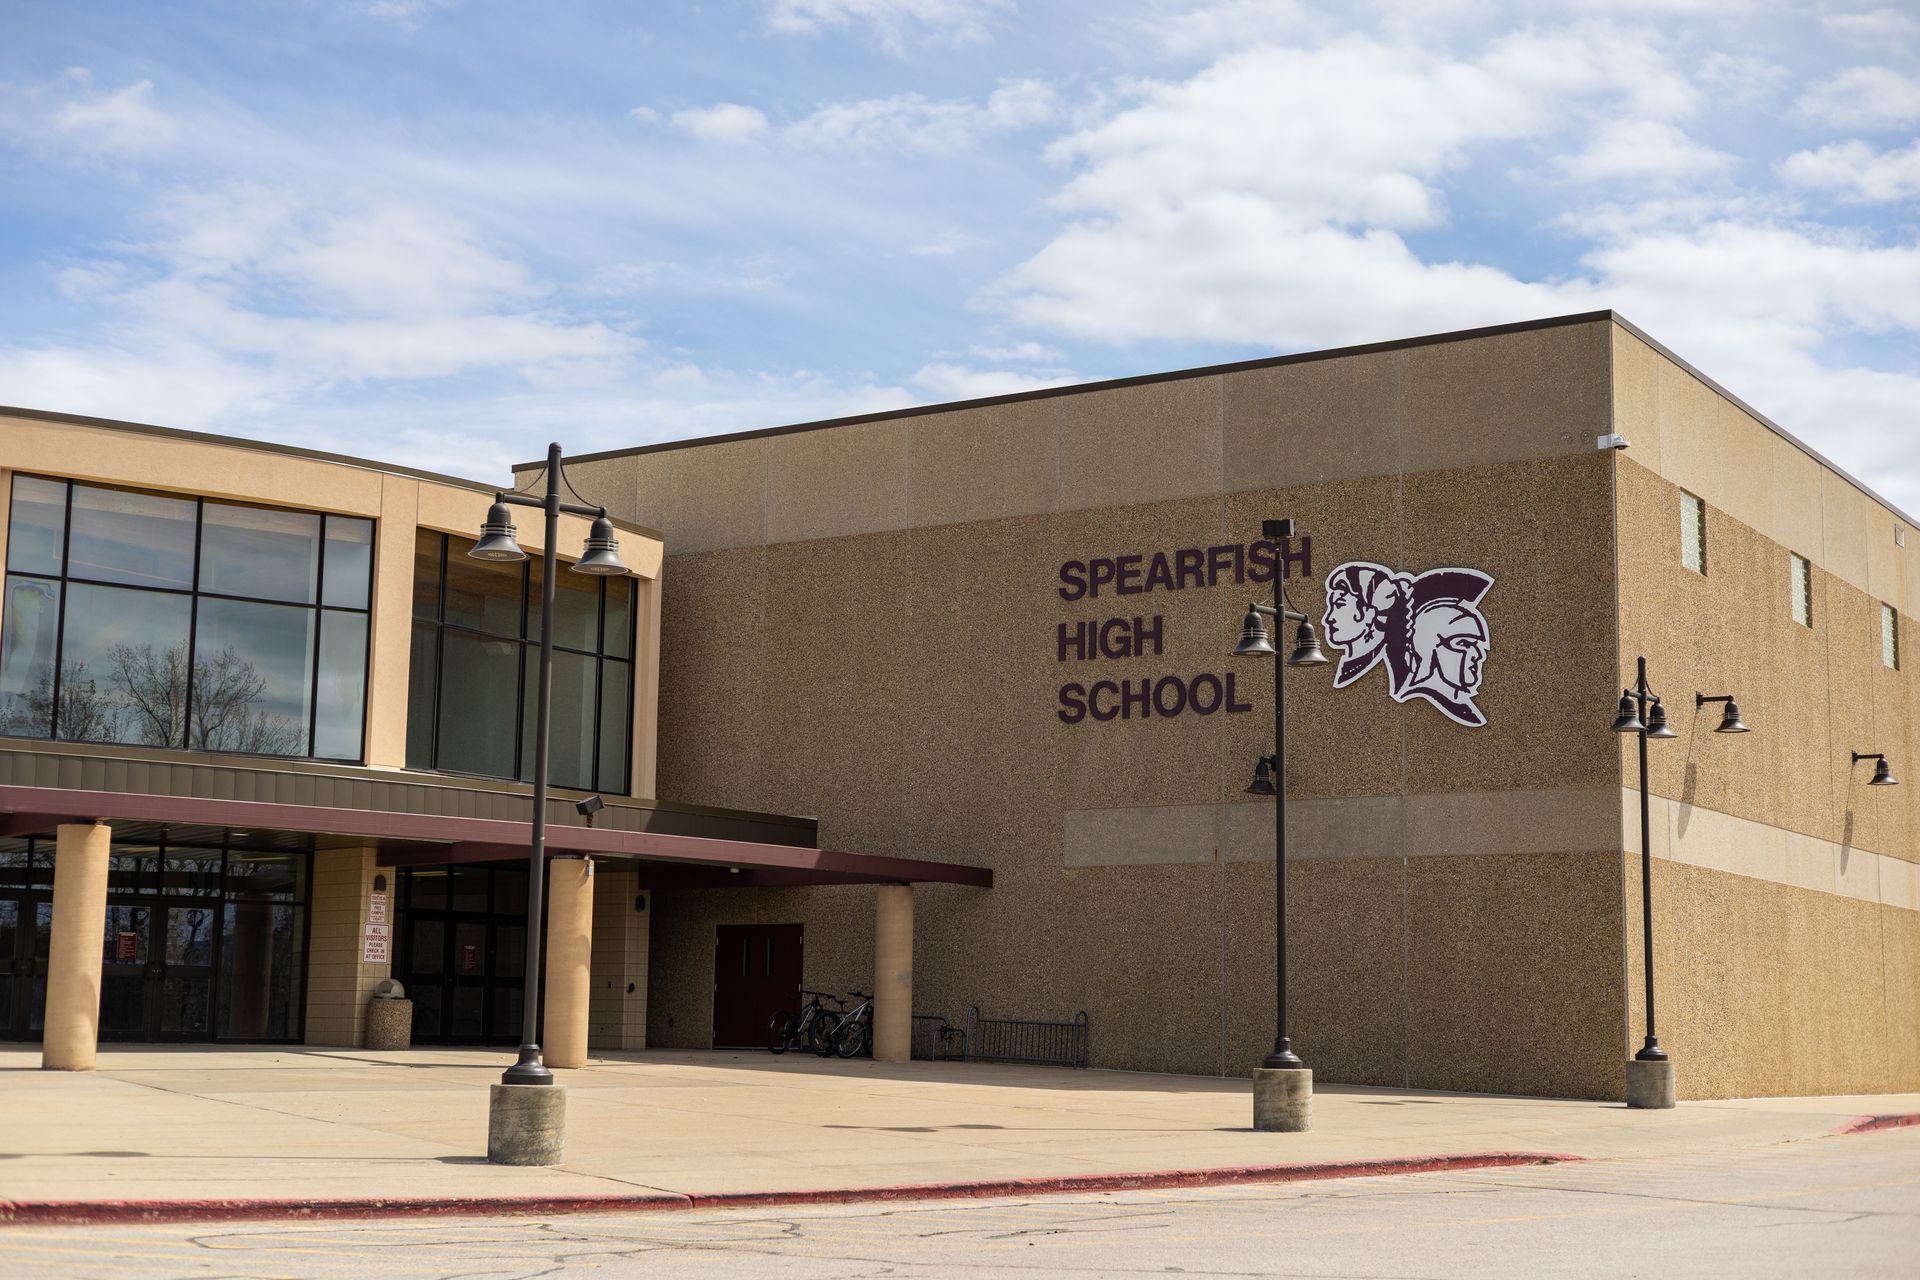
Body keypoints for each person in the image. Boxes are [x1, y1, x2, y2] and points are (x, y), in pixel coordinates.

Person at [1321, 562, 1411, 690]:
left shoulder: (1401, 670)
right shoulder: (1350, 668)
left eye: (1339, 605)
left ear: (1369, 612)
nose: (1328, 619)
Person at [1401, 600, 1490, 727]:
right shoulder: (1419, 702)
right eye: (1464, 644)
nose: (1478, 655)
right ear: (1431, 647)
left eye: (1476, 645)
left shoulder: (1464, 710)